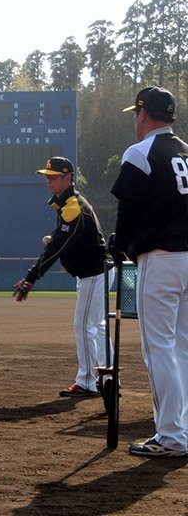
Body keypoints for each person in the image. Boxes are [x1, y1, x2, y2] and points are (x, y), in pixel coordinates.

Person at [110, 86, 188, 458]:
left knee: (159, 348)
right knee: (183, 348)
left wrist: (119, 244)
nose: (134, 121)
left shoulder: (140, 152)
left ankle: (171, 435)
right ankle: (182, 430)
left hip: (160, 260)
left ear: (144, 114)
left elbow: (128, 210)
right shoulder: (186, 153)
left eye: (135, 113)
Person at [13, 156, 111, 398]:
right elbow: (62, 239)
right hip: (95, 273)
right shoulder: (68, 204)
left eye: (53, 177)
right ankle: (109, 376)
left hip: (94, 275)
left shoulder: (73, 206)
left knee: (85, 325)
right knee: (97, 327)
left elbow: (57, 246)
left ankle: (88, 382)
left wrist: (31, 276)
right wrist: (54, 239)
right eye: (47, 176)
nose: (48, 181)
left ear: (68, 178)